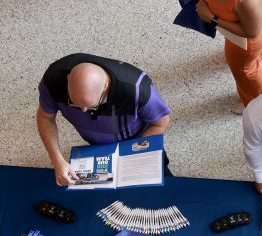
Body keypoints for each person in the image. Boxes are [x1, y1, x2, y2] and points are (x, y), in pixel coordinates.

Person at [37, 53, 172, 186]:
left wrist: (132, 153)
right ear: (68, 79)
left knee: (163, 186)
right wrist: (57, 160)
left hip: (135, 141)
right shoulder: (52, 81)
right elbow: (45, 117)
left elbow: (161, 122)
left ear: (105, 87)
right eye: (74, 103)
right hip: (97, 148)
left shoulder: (137, 90)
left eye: (91, 106)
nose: (83, 111)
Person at [196, 0, 262, 109]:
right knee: (254, 55)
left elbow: (251, 32)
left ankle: (257, 104)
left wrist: (212, 19)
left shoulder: (246, 2)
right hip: (255, 20)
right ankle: (260, 54)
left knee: (245, 70)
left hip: (246, 41)